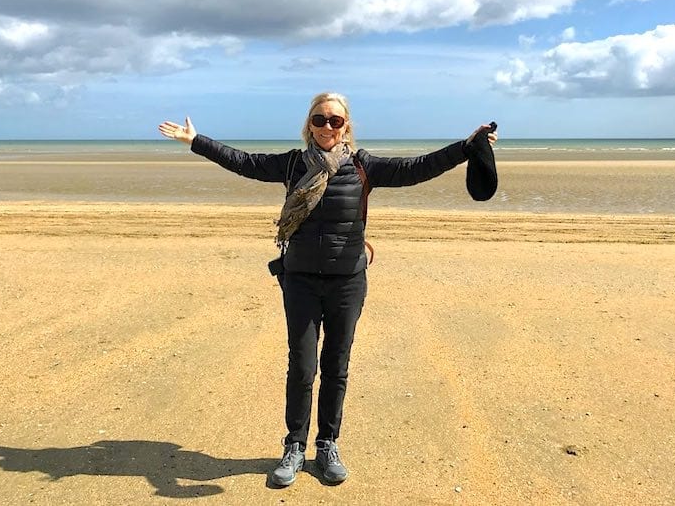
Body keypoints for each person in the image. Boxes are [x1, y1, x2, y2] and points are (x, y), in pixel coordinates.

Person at [159, 92, 497, 487]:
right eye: (320, 120)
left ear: (346, 126)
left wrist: (465, 148)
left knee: (336, 367)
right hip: (300, 280)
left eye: (335, 121)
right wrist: (196, 141)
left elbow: (416, 168)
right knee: (302, 368)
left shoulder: (363, 166)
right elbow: (244, 162)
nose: (327, 127)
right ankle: (294, 447)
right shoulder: (291, 164)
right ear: (309, 124)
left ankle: (327, 444)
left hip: (347, 283)